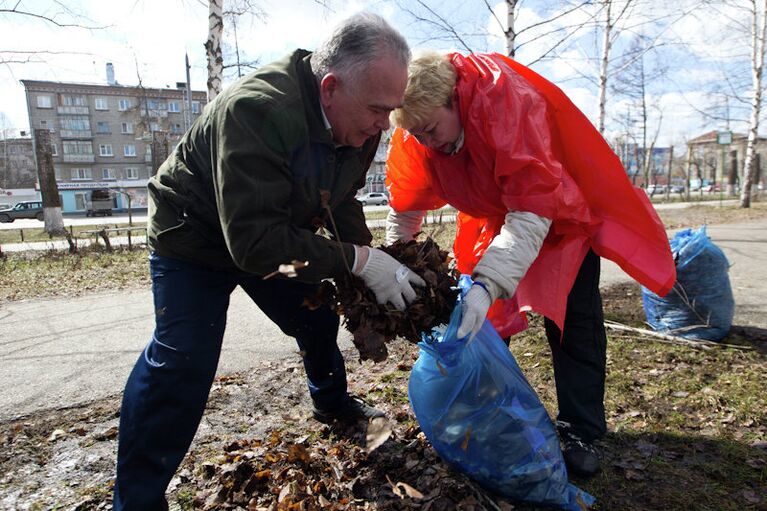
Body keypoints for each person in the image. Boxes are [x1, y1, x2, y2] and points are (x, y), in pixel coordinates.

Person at [113, 13, 423, 510]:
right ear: (329, 88)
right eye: (376, 110)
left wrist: (367, 262)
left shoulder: (359, 123)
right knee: (182, 359)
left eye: (391, 111)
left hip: (272, 238)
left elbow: (340, 199)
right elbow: (254, 246)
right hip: (193, 238)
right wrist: (358, 260)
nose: (383, 125)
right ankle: (137, 500)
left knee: (315, 314)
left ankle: (331, 403)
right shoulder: (257, 110)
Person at [385, 51, 676, 477]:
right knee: (480, 323)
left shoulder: (506, 105)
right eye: (417, 134)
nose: (427, 142)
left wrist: (490, 282)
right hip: (494, 216)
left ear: (454, 100)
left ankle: (581, 428)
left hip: (556, 214)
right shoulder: (416, 130)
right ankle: (482, 416)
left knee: (572, 322)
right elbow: (406, 202)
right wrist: (397, 258)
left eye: (431, 129)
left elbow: (533, 205)